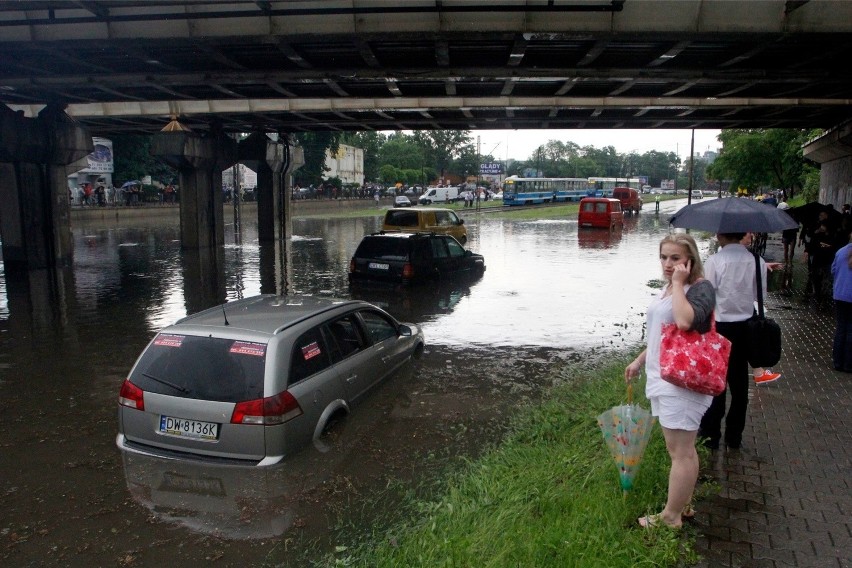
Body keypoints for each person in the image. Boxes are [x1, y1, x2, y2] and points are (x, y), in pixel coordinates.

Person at [625, 233, 715, 529]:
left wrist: (678, 283)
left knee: (681, 451)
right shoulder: (668, 289)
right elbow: (663, 334)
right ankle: (683, 504)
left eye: (675, 258)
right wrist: (639, 361)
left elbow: (686, 322)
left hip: (682, 382)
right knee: (681, 449)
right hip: (663, 377)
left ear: (690, 260)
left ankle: (670, 516)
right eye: (663, 257)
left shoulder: (698, 289)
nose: (668, 264)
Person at [698, 232, 767, 450]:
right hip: (747, 328)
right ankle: (734, 436)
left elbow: (707, 296)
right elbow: (760, 295)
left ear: (720, 235)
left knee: (716, 382)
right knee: (740, 384)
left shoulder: (715, 261)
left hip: (719, 327)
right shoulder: (757, 260)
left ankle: (711, 434)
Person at [739, 233, 782, 384]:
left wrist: (763, 266)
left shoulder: (719, 258)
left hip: (732, 310)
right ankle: (758, 373)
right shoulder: (752, 258)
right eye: (748, 233)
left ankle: (758, 372)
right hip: (742, 308)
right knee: (750, 338)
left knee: (748, 340)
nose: (752, 236)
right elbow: (759, 292)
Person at [831, 234, 852, 373]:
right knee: (851, 330)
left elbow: (833, 271)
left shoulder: (841, 251)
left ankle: (837, 362)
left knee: (841, 327)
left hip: (839, 295)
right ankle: (848, 363)